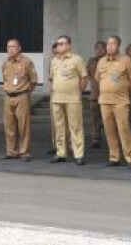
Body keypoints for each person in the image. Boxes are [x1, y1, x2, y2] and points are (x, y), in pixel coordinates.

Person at [97, 36, 131, 169]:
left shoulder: (126, 60)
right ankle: (114, 157)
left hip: (120, 102)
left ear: (118, 46)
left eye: (113, 44)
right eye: (108, 44)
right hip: (104, 102)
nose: (110, 46)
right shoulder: (101, 61)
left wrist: (123, 88)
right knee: (109, 130)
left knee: (124, 129)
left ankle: (130, 157)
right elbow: (98, 79)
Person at [49, 35, 88, 165]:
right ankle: (61, 153)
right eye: (58, 43)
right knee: (59, 127)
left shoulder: (77, 59)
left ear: (69, 45)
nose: (59, 46)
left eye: (62, 43)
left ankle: (78, 154)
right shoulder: (54, 61)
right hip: (57, 98)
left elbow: (84, 77)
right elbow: (52, 78)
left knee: (75, 126)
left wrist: (78, 91)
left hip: (72, 98)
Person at [1, 38, 37, 161]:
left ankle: (25, 152)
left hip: (22, 96)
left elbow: (33, 81)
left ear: (19, 48)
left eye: (13, 47)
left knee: (24, 126)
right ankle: (11, 151)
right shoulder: (6, 62)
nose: (10, 49)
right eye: (8, 47)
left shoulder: (27, 62)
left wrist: (25, 92)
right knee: (9, 126)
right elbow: (5, 79)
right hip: (8, 96)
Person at [85, 40, 106, 149]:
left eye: (101, 48)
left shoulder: (108, 60)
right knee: (95, 118)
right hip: (95, 94)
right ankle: (96, 138)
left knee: (108, 118)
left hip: (107, 94)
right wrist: (92, 80)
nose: (99, 50)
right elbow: (86, 73)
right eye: (97, 48)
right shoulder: (91, 61)